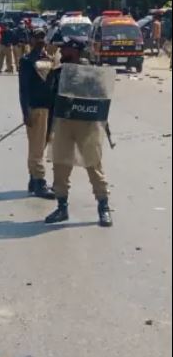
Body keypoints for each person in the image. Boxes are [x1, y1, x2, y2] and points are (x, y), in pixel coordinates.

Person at [44, 36, 113, 227]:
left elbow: (102, 100)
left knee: (93, 165)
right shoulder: (58, 73)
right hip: (63, 124)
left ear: (75, 51)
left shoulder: (91, 73)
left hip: (87, 125)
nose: (61, 52)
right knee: (60, 165)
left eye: (65, 49)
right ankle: (62, 207)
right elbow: (49, 98)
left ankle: (103, 207)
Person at [18, 27, 56, 199]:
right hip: (36, 108)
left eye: (42, 36)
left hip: (50, 108)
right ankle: (40, 181)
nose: (40, 39)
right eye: (37, 37)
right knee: (37, 147)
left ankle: (33, 179)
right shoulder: (27, 61)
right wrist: (25, 111)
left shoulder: (50, 59)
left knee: (42, 145)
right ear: (31, 40)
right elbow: (23, 89)